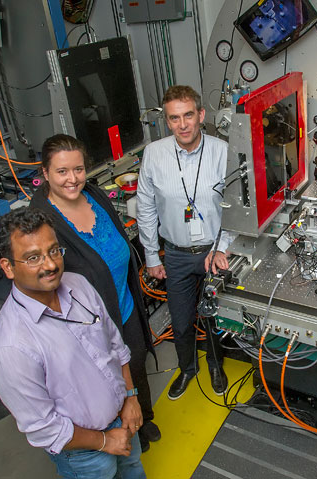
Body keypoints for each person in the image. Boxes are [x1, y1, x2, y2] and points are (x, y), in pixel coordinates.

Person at [0, 208, 146, 479]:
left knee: (134, 472)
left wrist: (130, 397)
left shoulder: (78, 284)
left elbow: (114, 343)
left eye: (54, 251)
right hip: (84, 454)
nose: (50, 265)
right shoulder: (10, 349)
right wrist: (105, 441)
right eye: (33, 258)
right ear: (8, 267)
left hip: (125, 418)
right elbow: (44, 428)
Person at [30, 134, 159, 451]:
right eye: (62, 172)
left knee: (135, 364)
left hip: (124, 307)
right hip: (88, 326)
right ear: (45, 173)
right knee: (104, 382)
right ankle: (118, 432)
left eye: (78, 169)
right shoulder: (41, 220)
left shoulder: (95, 195)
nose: (72, 179)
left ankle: (143, 418)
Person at [135, 85, 235, 400]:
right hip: (176, 255)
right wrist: (152, 256)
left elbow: (237, 207)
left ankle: (216, 366)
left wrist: (223, 247)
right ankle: (187, 368)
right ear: (167, 121)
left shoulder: (222, 151)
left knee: (214, 316)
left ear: (201, 115)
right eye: (174, 118)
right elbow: (146, 208)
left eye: (188, 115)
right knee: (180, 323)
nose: (183, 125)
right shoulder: (154, 154)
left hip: (212, 252)